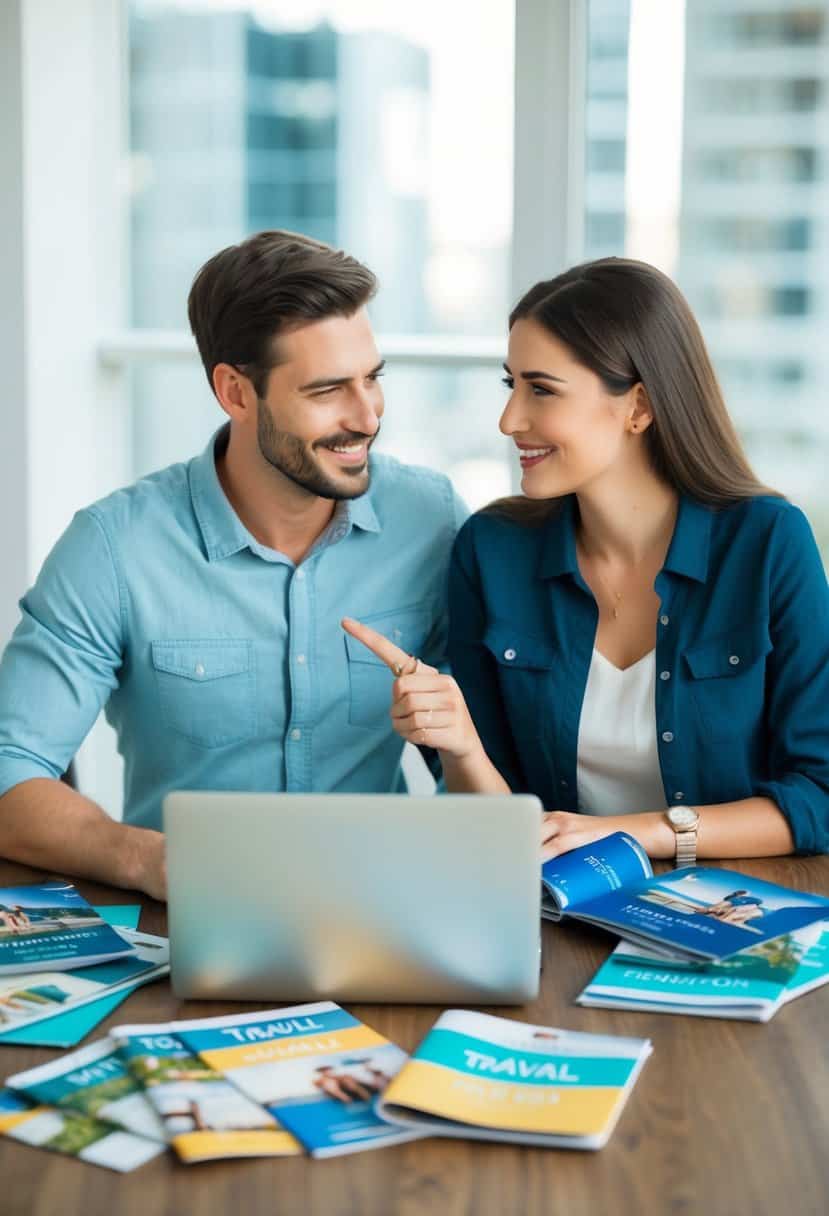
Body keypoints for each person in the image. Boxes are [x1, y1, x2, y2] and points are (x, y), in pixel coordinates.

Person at [0, 231, 466, 900]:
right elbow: (11, 769)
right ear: (236, 392)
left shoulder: (430, 518)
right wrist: (149, 861)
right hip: (184, 918)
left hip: (386, 905)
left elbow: (473, 759)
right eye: (329, 389)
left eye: (373, 378)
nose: (367, 416)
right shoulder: (114, 546)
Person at [344, 257, 829, 864]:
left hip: (733, 913)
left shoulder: (767, 543)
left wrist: (640, 832)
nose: (509, 419)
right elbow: (492, 826)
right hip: (554, 913)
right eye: (510, 385)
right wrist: (462, 746)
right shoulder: (491, 552)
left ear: (639, 407)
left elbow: (819, 796)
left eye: (541, 390)